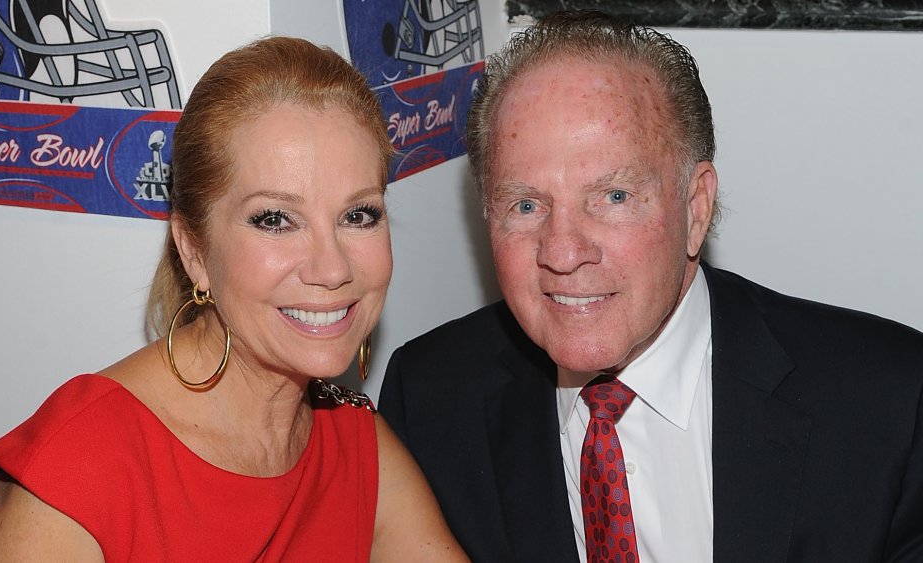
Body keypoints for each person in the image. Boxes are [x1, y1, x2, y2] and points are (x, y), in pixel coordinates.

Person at [380, 10, 923, 563]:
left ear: (695, 207)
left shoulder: (891, 407)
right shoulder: (429, 401)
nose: (563, 253)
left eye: (613, 197)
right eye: (525, 204)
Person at [0, 37, 467, 562]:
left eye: (358, 215)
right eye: (275, 219)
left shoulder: (358, 443)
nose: (333, 268)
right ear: (194, 249)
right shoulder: (76, 472)